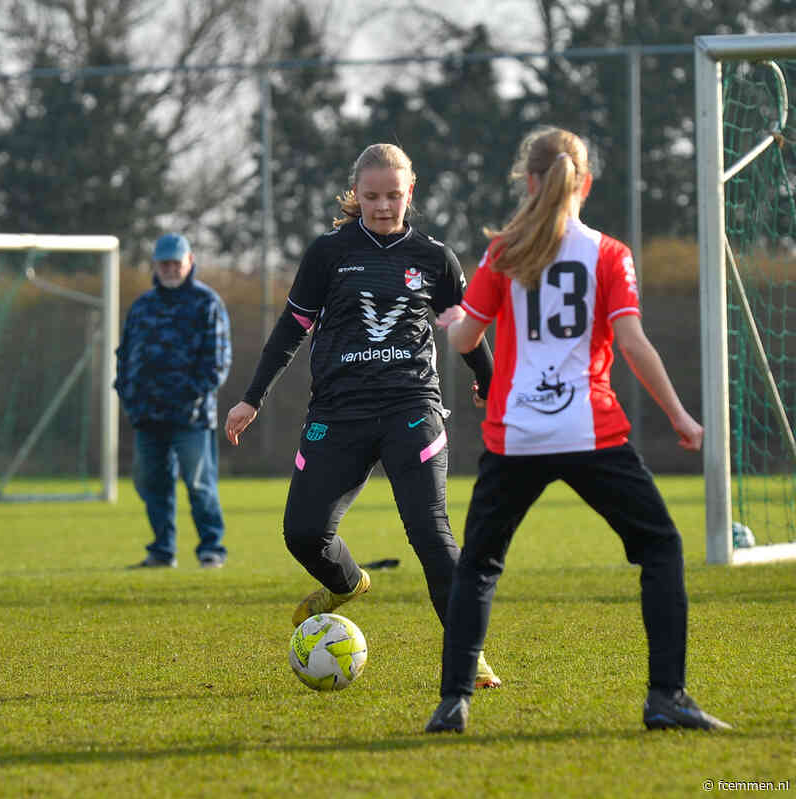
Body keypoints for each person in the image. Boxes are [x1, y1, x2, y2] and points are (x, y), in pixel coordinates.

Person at [425, 127, 730, 733]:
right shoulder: (609, 254)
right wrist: (678, 416)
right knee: (661, 548)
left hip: (515, 436)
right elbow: (633, 344)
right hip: (591, 432)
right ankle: (666, 697)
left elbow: (464, 339)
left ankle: (454, 701)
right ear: (584, 183)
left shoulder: (501, 252)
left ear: (530, 181)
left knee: (479, 565)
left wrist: (454, 319)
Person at [224, 143, 502, 689]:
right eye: (372, 196)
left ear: (410, 192)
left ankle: (470, 655)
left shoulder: (434, 258)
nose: (382, 206)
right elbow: (291, 330)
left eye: (393, 195)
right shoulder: (329, 254)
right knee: (303, 533)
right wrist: (251, 397)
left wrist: (489, 384)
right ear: (357, 193)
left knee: (432, 534)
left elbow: (464, 331)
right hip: (338, 413)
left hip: (412, 408)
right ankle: (348, 583)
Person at [114, 233, 232, 569]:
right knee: (151, 483)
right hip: (147, 415)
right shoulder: (142, 306)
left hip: (191, 418)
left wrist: (190, 396)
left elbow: (218, 361)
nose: (169, 269)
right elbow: (125, 355)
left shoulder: (207, 303)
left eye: (175, 263)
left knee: (199, 484)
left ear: (189, 262)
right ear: (155, 265)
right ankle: (162, 551)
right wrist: (127, 393)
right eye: (163, 263)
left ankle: (212, 549)